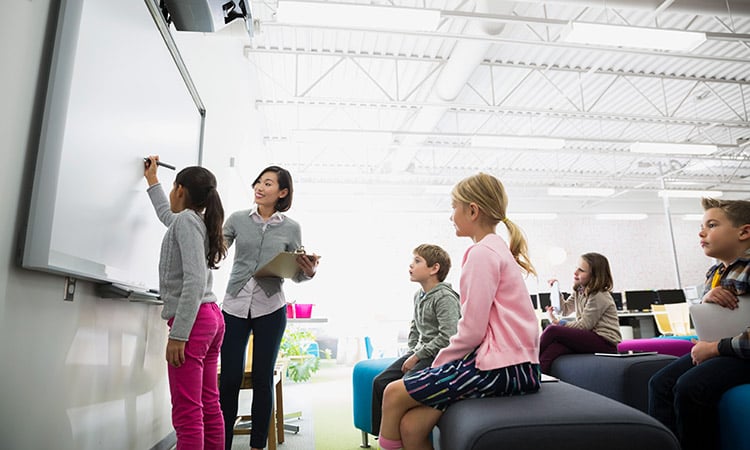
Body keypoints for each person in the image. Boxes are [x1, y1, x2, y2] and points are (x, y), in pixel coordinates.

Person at [378, 172, 541, 450]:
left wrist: (440, 363)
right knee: (412, 426)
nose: (452, 215)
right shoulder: (497, 249)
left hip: (502, 370)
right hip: (521, 369)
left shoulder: (481, 254)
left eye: (454, 207)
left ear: (473, 210)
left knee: (393, 393)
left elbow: (472, 330)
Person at [219, 165, 319, 450]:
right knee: (229, 379)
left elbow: (297, 271)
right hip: (234, 305)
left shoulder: (291, 227)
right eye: (258, 182)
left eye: (268, 184)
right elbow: (218, 250)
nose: (259, 188)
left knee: (263, 379)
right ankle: (222, 443)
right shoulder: (238, 219)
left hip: (270, 308)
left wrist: (308, 271)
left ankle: (257, 445)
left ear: (282, 192)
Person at [648, 197, 750, 450]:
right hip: (727, 350)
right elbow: (714, 319)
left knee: (691, 386)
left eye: (712, 225)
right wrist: (707, 299)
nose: (702, 232)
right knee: (659, 383)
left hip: (740, 353)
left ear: (744, 231)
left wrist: (715, 348)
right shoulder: (715, 272)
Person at [144, 156, 227, 450]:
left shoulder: (187, 223)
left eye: (171, 188)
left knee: (188, 411)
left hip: (194, 321)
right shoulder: (192, 221)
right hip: (210, 318)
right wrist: (153, 181)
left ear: (179, 189)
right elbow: (167, 215)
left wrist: (179, 334)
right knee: (207, 402)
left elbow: (193, 280)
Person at [371, 244, 461, 434]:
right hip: (420, 353)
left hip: (437, 357)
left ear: (434, 269)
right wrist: (412, 351)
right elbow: (415, 326)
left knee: (402, 391)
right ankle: (383, 437)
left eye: (417, 261)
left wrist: (418, 355)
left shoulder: (445, 297)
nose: (410, 265)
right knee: (380, 382)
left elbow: (448, 337)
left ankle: (400, 438)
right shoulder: (419, 295)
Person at [538, 253, 622, 374]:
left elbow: (584, 325)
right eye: (577, 268)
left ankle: (529, 360)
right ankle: (537, 377)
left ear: (594, 276)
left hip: (605, 342)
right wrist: (556, 291)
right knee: (554, 349)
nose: (575, 272)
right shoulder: (580, 290)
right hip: (590, 336)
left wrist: (559, 324)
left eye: (581, 270)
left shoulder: (599, 295)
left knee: (552, 330)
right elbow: (565, 309)